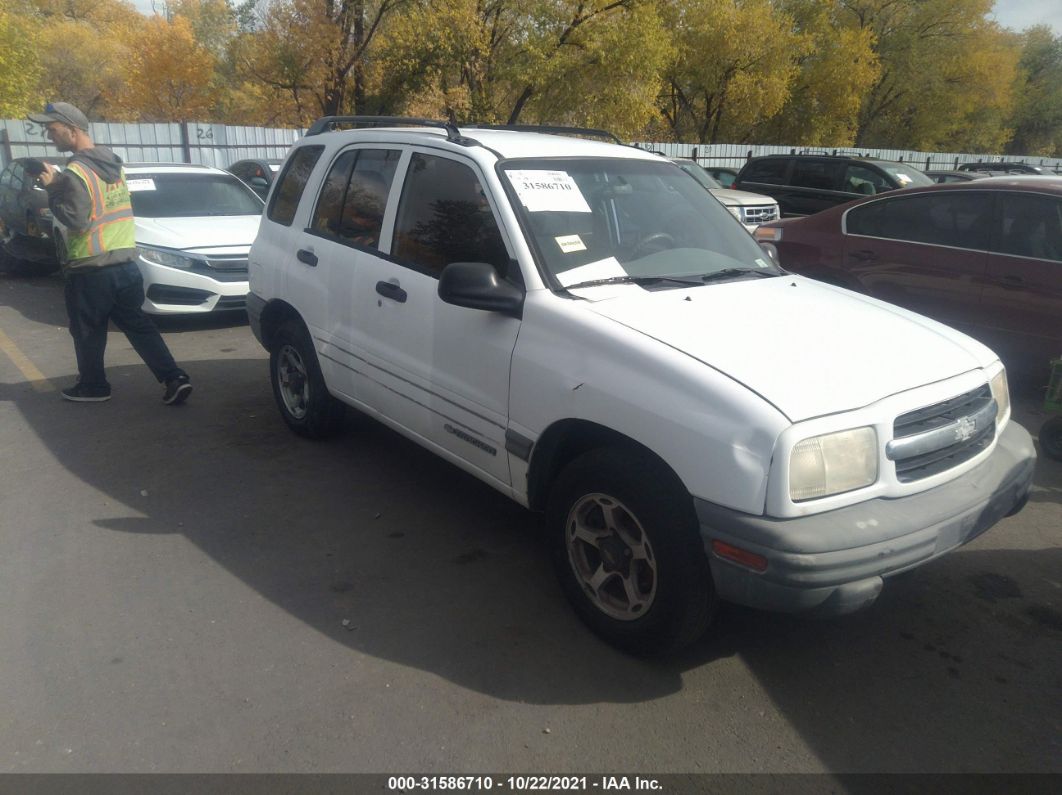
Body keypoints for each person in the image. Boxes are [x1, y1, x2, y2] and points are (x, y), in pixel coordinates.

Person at [28, 102, 192, 405]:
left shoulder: (77, 170)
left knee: (87, 331)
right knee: (138, 325)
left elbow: (76, 219)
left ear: (71, 129)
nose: (49, 136)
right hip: (125, 265)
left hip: (91, 268)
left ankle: (93, 386)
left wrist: (52, 189)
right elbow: (98, 202)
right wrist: (62, 184)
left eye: (52, 130)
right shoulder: (112, 165)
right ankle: (174, 377)